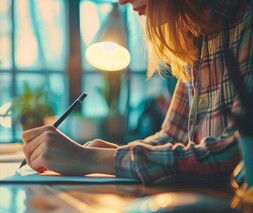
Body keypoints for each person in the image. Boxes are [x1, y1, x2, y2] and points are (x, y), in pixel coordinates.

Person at [21, 0, 253, 184]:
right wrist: (110, 153)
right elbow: (173, 137)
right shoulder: (195, 35)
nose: (122, 1)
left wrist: (92, 159)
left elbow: (238, 155)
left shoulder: (246, 21)